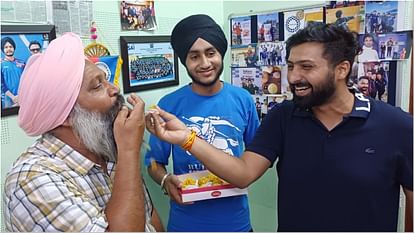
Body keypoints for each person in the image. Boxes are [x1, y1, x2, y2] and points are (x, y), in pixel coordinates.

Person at [146, 23, 413, 232]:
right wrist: (187, 138)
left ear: (342, 69)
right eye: (290, 66)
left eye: (306, 67)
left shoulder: (398, 126)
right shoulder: (283, 117)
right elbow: (242, 173)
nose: (294, 77)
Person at [3, 33, 163, 232]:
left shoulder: (106, 149)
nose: (114, 89)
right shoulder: (31, 181)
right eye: (97, 86)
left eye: (106, 80)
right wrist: (129, 151)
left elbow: (149, 220)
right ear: (66, 117)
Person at [144, 14, 260, 232]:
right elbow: (152, 162)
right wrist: (164, 179)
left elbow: (257, 156)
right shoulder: (169, 105)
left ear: (220, 53)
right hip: (186, 224)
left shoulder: (243, 99)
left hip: (237, 224)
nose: (205, 63)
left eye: (210, 53)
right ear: (184, 61)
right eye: (194, 56)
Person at [1, 36, 25, 108]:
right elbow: (1, 84)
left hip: (23, 96)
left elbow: (27, 81)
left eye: (10, 46)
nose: (9, 49)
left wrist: (20, 95)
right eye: (6, 47)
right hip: (8, 99)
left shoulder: (22, 63)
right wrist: (13, 97)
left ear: (14, 48)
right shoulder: (1, 64)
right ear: (2, 49)